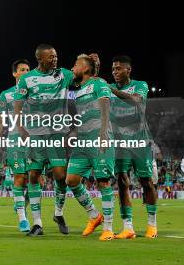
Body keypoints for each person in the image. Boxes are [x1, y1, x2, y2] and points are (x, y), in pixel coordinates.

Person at [14, 44, 74, 236]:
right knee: (33, 175)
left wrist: (91, 63)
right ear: (40, 59)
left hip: (57, 134)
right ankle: (37, 223)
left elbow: (84, 75)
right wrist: (21, 128)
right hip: (35, 135)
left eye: (56, 56)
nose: (55, 59)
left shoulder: (63, 74)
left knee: (60, 176)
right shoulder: (27, 79)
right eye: (51, 57)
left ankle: (58, 213)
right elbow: (18, 106)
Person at [66, 54, 116, 240]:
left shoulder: (99, 83)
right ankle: (94, 216)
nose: (72, 68)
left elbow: (105, 106)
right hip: (83, 141)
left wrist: (103, 134)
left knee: (103, 182)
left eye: (75, 64)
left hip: (99, 138)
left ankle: (108, 229)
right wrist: (74, 133)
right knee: (71, 180)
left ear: (86, 68)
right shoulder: (78, 90)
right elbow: (84, 116)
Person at [109, 55, 157, 239]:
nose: (115, 72)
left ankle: (152, 225)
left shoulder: (140, 85)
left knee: (146, 181)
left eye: (118, 69)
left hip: (140, 141)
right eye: (113, 69)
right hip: (120, 143)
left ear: (128, 70)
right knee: (122, 182)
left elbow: (135, 101)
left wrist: (111, 90)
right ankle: (128, 227)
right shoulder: (111, 92)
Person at [0, 58, 31, 232]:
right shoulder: (6, 95)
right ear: (14, 73)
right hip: (15, 140)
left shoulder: (36, 92)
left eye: (29, 69)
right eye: (22, 69)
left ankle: (21, 203)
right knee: (19, 178)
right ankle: (22, 218)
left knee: (37, 180)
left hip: (35, 140)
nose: (26, 72)